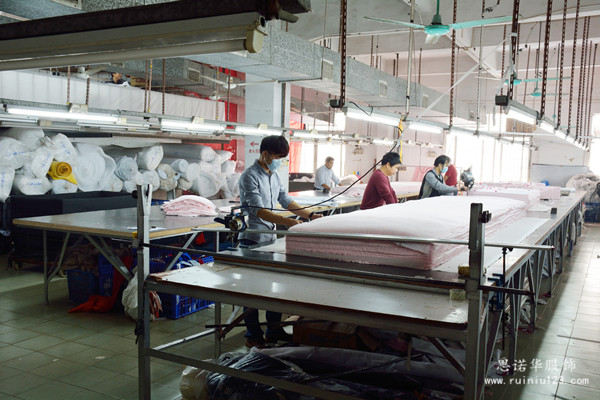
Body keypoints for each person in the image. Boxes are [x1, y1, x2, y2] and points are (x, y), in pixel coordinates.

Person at [238, 135, 322, 347]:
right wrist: (289, 222)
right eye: (277, 157)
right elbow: (259, 211)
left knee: (272, 289)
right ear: (265, 154)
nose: (279, 161)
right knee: (252, 292)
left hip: (269, 240)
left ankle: (273, 331)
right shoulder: (249, 176)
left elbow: (284, 199)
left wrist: (310, 215)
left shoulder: (273, 175)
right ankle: (253, 336)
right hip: (252, 239)